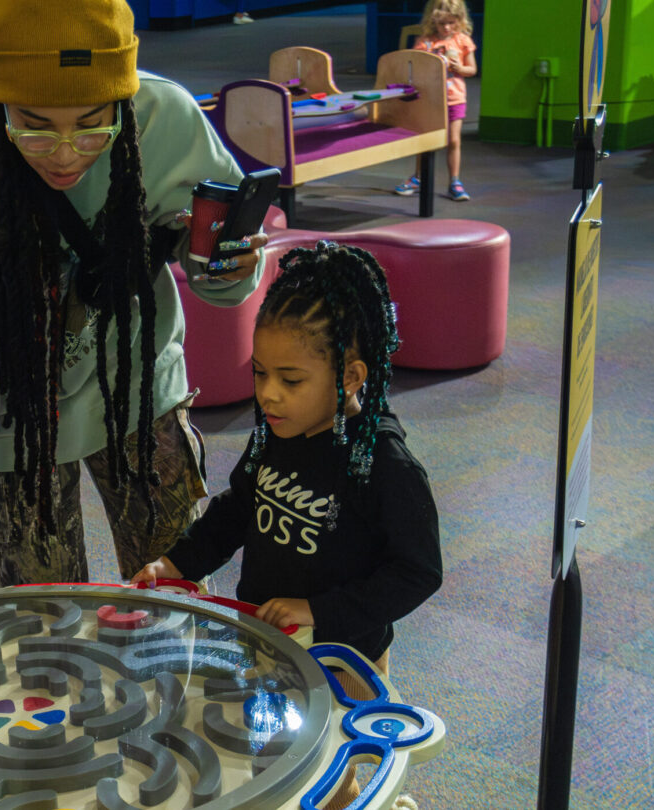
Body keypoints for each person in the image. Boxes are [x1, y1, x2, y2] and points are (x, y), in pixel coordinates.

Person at [0, 0, 269, 605]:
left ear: (122, 101)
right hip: (21, 421)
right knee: (44, 620)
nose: (64, 153)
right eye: (34, 126)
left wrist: (228, 270)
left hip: (138, 388)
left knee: (178, 602)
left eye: (92, 125)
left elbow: (221, 267)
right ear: (0, 105)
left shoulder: (165, 120)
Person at [132, 240, 442, 673]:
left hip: (343, 660)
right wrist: (176, 563)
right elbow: (237, 510)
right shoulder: (277, 429)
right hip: (267, 640)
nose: (268, 394)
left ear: (350, 377)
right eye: (260, 373)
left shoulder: (387, 465)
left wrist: (318, 610)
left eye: (291, 380)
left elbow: (418, 572)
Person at [393, 0, 478, 201]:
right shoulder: (425, 42)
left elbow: (472, 69)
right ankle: (418, 177)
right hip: (430, 99)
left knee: (454, 140)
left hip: (455, 98)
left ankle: (454, 182)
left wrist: (460, 68)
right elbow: (415, 68)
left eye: (451, 22)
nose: (446, 27)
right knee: (426, 140)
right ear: (433, 21)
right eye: (442, 23)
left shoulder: (462, 40)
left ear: (459, 20)